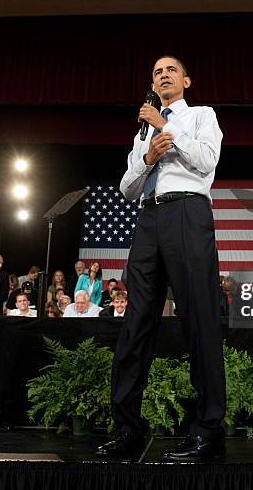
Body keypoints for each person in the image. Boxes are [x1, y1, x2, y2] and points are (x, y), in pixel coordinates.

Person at [97, 56, 225, 461]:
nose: (163, 75)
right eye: (156, 72)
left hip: (187, 212)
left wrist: (164, 126)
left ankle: (207, 429)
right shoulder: (143, 133)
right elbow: (127, 188)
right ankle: (127, 429)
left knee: (199, 319)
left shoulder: (201, 116)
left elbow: (206, 161)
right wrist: (150, 155)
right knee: (135, 324)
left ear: (186, 79)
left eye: (170, 70)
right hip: (149, 219)